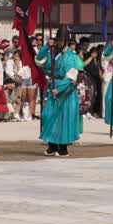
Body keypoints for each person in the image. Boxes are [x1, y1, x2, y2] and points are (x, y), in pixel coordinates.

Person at [38, 27, 84, 157]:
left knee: (63, 118)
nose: (58, 42)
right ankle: (52, 146)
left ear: (66, 42)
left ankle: (63, 148)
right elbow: (39, 60)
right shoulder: (52, 53)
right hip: (53, 85)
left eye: (61, 40)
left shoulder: (71, 56)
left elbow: (71, 75)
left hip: (65, 90)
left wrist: (59, 88)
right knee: (48, 116)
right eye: (57, 40)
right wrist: (46, 47)